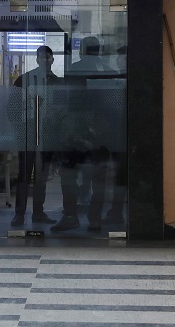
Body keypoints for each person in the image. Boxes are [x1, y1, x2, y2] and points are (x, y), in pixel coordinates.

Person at [52, 36, 114, 233]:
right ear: (99, 51)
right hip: (100, 133)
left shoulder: (73, 70)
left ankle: (71, 216)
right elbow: (113, 106)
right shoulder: (109, 72)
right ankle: (95, 218)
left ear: (82, 51)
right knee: (99, 178)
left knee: (68, 174)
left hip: (75, 132)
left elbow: (64, 102)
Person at [8, 45, 58, 228]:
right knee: (24, 174)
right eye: (41, 57)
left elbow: (61, 110)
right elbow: (12, 108)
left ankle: (38, 212)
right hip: (28, 133)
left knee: (41, 176)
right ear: (37, 59)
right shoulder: (24, 80)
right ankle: (19, 214)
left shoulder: (56, 82)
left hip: (47, 134)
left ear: (52, 59)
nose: (44, 60)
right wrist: (21, 129)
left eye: (47, 57)